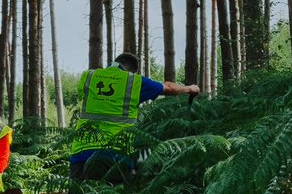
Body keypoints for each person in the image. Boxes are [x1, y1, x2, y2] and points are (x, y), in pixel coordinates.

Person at [70, 52, 199, 182]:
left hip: (82, 150)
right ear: (133, 71)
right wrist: (190, 88)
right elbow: (169, 87)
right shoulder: (134, 81)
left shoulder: (89, 76)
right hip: (116, 153)